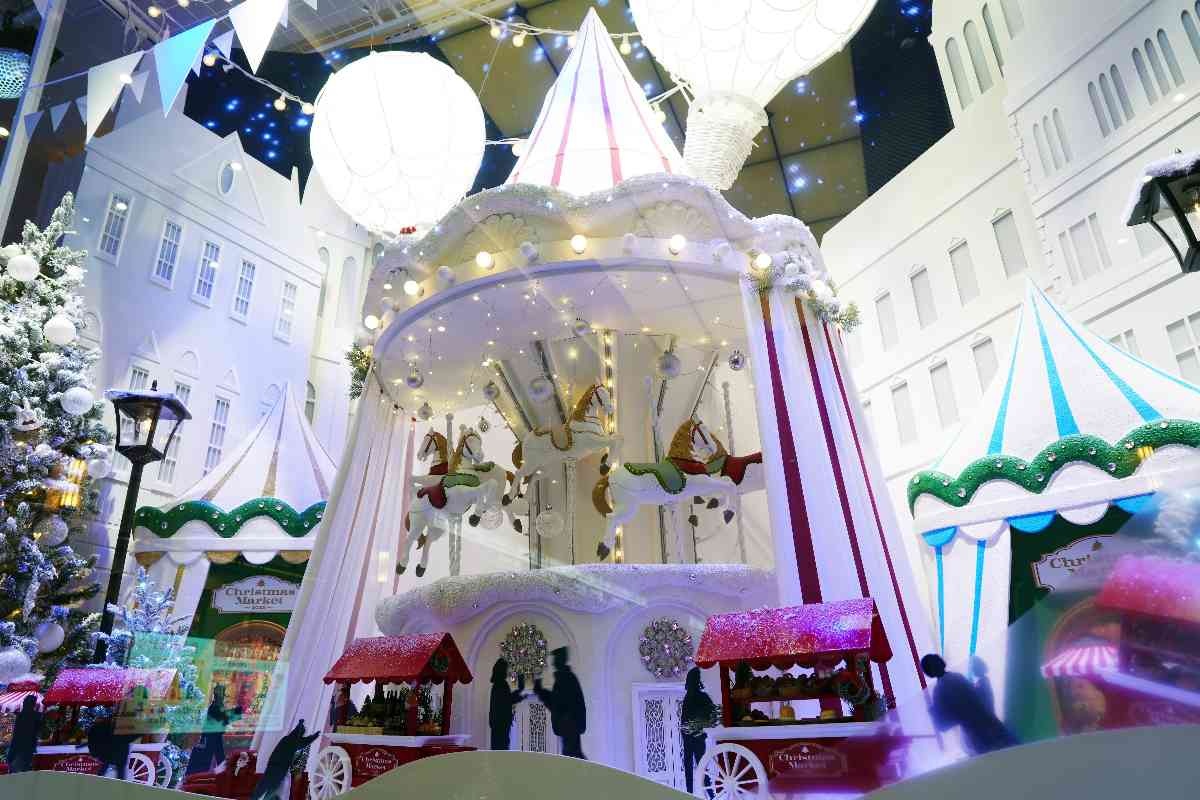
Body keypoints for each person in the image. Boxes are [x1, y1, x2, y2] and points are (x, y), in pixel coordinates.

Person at [921, 654, 1018, 755]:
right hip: (993, 727)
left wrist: (932, 711)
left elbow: (943, 725)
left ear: (929, 673)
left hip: (979, 738)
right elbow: (978, 701)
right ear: (941, 662)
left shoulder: (939, 691)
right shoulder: (958, 677)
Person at [533, 647, 587, 759]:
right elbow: (556, 702)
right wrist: (540, 691)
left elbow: (557, 704)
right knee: (573, 755)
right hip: (569, 726)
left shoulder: (565, 678)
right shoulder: (566, 677)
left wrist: (540, 691)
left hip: (569, 726)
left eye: (555, 659)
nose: (553, 663)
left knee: (572, 756)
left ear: (560, 660)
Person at [250, 719, 320, 800]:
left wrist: (301, 725)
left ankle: (255, 798)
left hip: (272, 765)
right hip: (280, 768)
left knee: (264, 786)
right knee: (272, 787)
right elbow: (305, 741)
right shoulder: (295, 742)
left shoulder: (286, 738)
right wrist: (315, 736)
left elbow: (300, 736)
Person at [186, 685, 243, 775]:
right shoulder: (215, 708)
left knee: (211, 760)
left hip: (210, 740)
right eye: (222, 695)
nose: (223, 697)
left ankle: (219, 773)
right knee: (202, 762)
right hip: (207, 741)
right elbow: (224, 719)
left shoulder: (217, 707)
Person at [680, 667, 717, 794]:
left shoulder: (688, 698)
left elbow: (684, 721)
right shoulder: (702, 697)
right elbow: (712, 714)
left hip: (689, 738)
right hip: (696, 737)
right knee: (701, 767)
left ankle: (691, 793)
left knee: (691, 766)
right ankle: (710, 794)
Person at [488, 658, 526, 750]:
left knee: (498, 748)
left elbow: (507, 699)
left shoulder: (498, 684)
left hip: (498, 724)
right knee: (502, 748)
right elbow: (508, 700)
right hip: (501, 724)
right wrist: (521, 692)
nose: (508, 671)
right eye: (507, 668)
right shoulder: (501, 684)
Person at [5, 695, 41, 773]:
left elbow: (16, 734)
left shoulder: (22, 716)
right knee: (20, 770)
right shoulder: (36, 716)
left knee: (16, 770)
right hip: (25, 748)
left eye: (25, 702)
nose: (24, 704)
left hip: (21, 748)